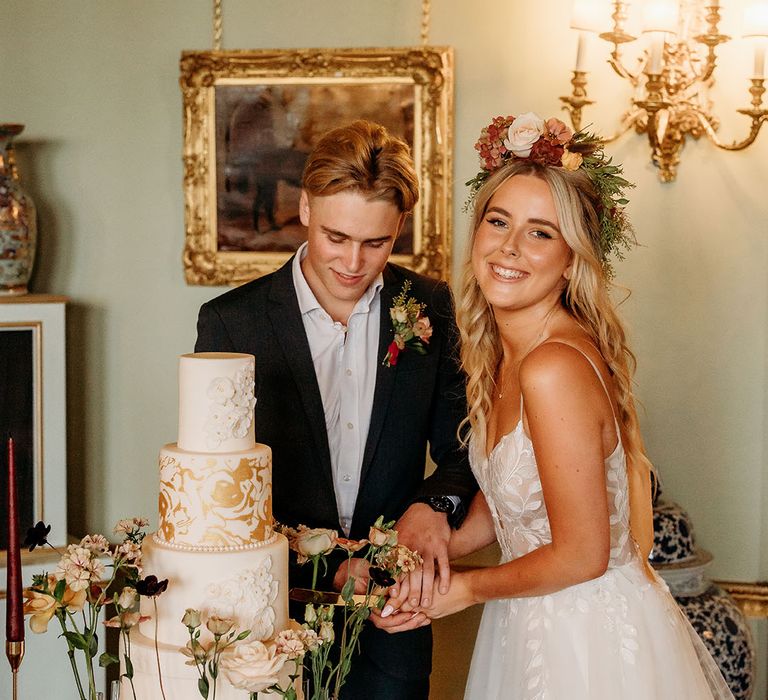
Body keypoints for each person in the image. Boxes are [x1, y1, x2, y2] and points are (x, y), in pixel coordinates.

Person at [378, 112, 734, 699]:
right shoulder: (503, 353)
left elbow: (583, 552)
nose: (509, 247)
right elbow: (524, 502)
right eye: (498, 221)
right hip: (530, 620)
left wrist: (463, 589)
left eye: (541, 232)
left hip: (584, 637)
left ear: (572, 258)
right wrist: (435, 548)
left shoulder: (553, 368)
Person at [195, 119, 477, 699]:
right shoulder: (231, 320)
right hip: (270, 617)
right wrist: (321, 569)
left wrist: (432, 504)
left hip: (394, 614)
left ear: (400, 226)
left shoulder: (431, 306)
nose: (353, 261)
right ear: (303, 207)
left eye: (377, 243)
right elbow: (220, 486)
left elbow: (464, 448)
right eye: (336, 237)